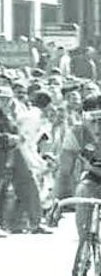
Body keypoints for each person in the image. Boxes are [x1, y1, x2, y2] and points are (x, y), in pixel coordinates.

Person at [53, 95, 101, 239]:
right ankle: (85, 243)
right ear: (83, 118)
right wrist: (56, 202)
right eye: (92, 120)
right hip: (95, 177)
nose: (97, 127)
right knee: (83, 190)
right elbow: (64, 172)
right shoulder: (75, 134)